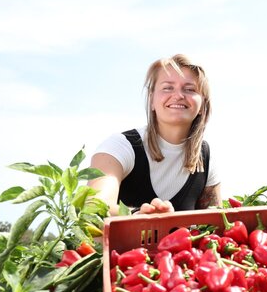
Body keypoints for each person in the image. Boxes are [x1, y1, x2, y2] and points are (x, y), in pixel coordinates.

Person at [89, 54, 221, 216]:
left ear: (202, 105)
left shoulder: (206, 158)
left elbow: (215, 223)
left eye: (189, 89)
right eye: (167, 87)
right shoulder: (119, 147)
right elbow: (93, 209)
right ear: (151, 100)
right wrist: (138, 216)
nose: (179, 95)